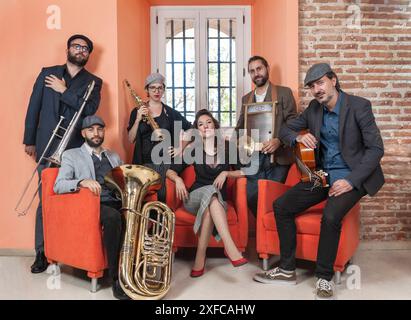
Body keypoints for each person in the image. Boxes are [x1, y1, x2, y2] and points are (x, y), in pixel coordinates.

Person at [253, 63, 385, 299]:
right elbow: (284, 130)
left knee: (331, 216)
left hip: (351, 176)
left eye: (320, 83)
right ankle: (286, 268)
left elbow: (376, 150)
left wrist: (351, 182)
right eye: (312, 86)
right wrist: (298, 137)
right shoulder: (314, 109)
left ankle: (324, 279)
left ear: (333, 80)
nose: (316, 90)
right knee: (281, 206)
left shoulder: (359, 106)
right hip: (321, 176)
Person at [23, 34, 103, 273]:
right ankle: (42, 253)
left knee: (74, 200)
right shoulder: (47, 72)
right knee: (45, 200)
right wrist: (29, 140)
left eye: (85, 49)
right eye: (77, 46)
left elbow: (89, 110)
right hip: (48, 145)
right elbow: (34, 105)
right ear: (68, 49)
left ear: (88, 54)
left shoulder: (93, 82)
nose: (80, 51)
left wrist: (64, 91)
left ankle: (72, 252)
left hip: (75, 149)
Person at [54, 115, 129, 300]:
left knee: (141, 215)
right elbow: (58, 185)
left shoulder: (113, 156)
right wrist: (82, 181)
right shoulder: (71, 155)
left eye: (100, 129)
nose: (96, 133)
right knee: (113, 217)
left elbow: (124, 182)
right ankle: (115, 279)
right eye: (91, 129)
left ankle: (135, 271)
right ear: (83, 133)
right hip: (93, 205)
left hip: (117, 201)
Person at [167, 109, 248, 277]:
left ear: (215, 125)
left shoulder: (227, 147)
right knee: (212, 191)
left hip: (217, 202)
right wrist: (179, 180)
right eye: (201, 124)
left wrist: (226, 173)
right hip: (193, 199)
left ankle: (199, 258)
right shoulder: (193, 149)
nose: (205, 127)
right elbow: (170, 171)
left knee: (212, 202)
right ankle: (230, 247)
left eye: (208, 122)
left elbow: (245, 171)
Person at [235, 56, 297, 215]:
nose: (256, 73)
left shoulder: (284, 93)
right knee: (252, 198)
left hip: (278, 158)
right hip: (254, 159)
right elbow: (240, 127)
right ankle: (264, 231)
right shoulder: (246, 99)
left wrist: (279, 140)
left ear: (267, 68)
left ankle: (274, 236)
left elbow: (293, 123)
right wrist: (238, 142)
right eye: (252, 71)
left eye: (259, 69)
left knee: (274, 199)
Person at [127, 73, 191, 201]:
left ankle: (161, 220)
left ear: (163, 90)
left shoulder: (171, 113)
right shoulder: (137, 111)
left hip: (165, 161)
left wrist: (180, 148)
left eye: (160, 88)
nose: (157, 91)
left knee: (162, 194)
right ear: (147, 90)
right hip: (144, 162)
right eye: (153, 88)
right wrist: (138, 119)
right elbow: (130, 139)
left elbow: (190, 129)